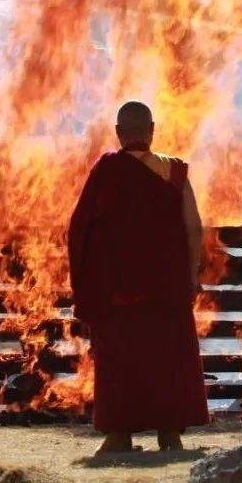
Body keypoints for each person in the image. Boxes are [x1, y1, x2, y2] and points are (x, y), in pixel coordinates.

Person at [68, 100, 209, 454]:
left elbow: (78, 230)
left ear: (118, 133)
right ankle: (169, 434)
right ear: (151, 130)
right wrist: (191, 275)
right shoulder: (173, 172)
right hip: (167, 287)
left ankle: (119, 435)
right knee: (168, 359)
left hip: (117, 290)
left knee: (120, 362)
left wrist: (85, 279)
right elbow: (193, 227)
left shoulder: (106, 172)